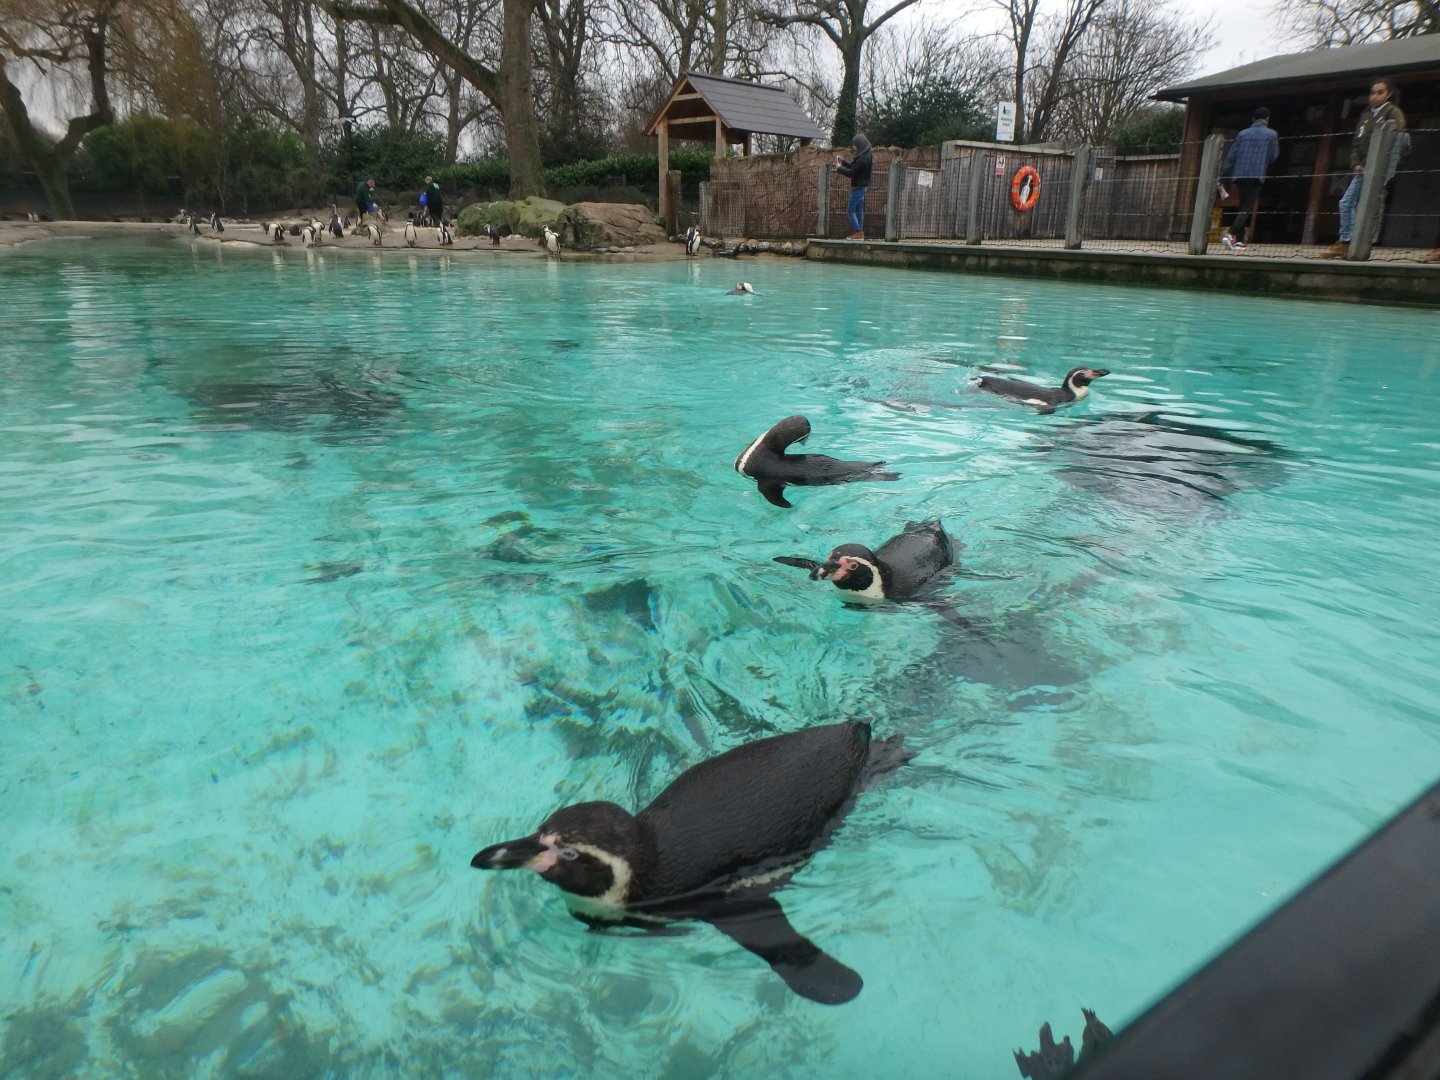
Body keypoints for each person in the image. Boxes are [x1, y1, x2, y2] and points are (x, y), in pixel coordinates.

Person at [1323, 77, 1408, 259]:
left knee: (1349, 203)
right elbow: (1356, 143)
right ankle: (1348, 241)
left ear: (1389, 94)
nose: (1375, 96)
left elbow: (1397, 145)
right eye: (1372, 92)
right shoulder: (1366, 115)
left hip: (1379, 168)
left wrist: (1384, 167)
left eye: (1380, 92)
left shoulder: (1394, 114)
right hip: (1362, 169)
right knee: (1349, 203)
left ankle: (1348, 242)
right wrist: (1355, 163)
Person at [1219, 107, 1279, 252]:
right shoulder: (1271, 135)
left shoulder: (1242, 134)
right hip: (1257, 175)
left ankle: (1238, 241)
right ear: (1267, 119)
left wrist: (1223, 174)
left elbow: (1232, 156)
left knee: (1243, 205)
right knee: (1247, 207)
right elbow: (1273, 156)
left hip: (1239, 175)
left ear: (1253, 119)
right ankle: (1231, 234)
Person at [833, 134, 872, 241]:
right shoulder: (867, 154)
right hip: (863, 186)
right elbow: (854, 167)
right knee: (859, 210)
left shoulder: (862, 157)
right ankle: (860, 233)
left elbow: (851, 172)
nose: (854, 147)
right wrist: (844, 162)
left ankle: (858, 232)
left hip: (858, 187)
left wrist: (839, 168)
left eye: (855, 145)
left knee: (850, 211)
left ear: (859, 144)